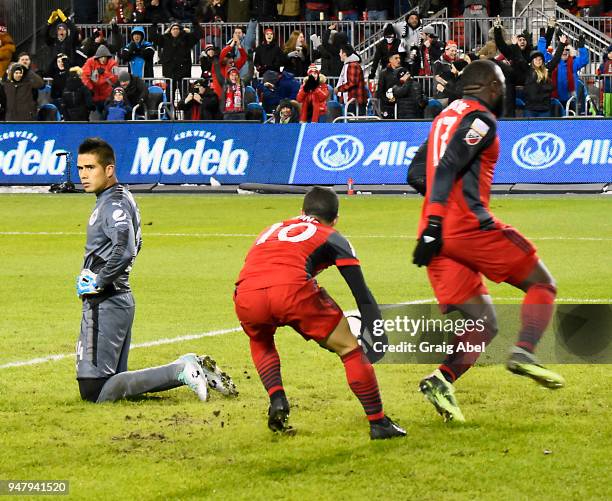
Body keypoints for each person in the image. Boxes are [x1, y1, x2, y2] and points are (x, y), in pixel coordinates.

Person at [412, 60, 564, 423]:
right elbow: (449, 166)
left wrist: (435, 221)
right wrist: (442, 217)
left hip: (437, 238)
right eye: (502, 86)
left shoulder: (443, 118)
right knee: (542, 284)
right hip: (465, 226)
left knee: (482, 322)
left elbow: (417, 173)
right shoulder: (481, 120)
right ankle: (524, 351)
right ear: (492, 88)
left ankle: (441, 380)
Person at [234, 186, 406, 439]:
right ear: (335, 219)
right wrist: (377, 333)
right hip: (292, 291)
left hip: (248, 292)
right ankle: (379, 423)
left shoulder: (273, 227)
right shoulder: (333, 236)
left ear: (301, 211)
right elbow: (361, 293)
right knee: (349, 350)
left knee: (260, 339)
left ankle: (277, 398)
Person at [75, 137, 237, 404]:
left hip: (106, 301)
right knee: (114, 385)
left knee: (94, 390)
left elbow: (126, 248)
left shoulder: (113, 203)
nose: (83, 174)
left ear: (109, 169)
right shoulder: (119, 197)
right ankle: (189, 368)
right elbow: (137, 243)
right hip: (117, 299)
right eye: (81, 168)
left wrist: (99, 280)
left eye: (90, 167)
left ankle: (182, 369)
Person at [150, 19, 203, 101]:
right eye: (173, 29)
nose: (175, 30)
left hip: (184, 73)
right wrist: (154, 24)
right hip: (170, 73)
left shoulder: (187, 39)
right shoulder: (165, 39)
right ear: (170, 31)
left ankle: (186, 113)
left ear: (180, 30)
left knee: (185, 98)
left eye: (177, 29)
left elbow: (198, 35)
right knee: (169, 98)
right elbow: (153, 36)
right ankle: (169, 113)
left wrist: (195, 23)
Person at [523, 35, 567, 118]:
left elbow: (556, 59)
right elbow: (518, 58)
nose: (538, 61)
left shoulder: (547, 70)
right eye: (536, 59)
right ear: (532, 61)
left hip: (545, 109)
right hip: (530, 109)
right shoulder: (527, 71)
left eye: (540, 59)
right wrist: (515, 46)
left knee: (544, 131)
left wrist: (561, 44)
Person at [81, 45, 120, 119]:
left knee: (106, 119)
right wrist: (90, 88)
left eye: (105, 57)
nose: (103, 59)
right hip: (94, 96)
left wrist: (105, 73)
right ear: (97, 57)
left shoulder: (113, 64)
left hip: (108, 97)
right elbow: (84, 76)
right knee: (95, 120)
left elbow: (115, 79)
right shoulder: (90, 62)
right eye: (101, 57)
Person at [336, 44, 367, 116]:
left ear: (344, 54)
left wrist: (339, 89)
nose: (339, 54)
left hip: (355, 101)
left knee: (357, 124)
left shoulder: (353, 65)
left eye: (340, 52)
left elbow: (352, 82)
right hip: (352, 101)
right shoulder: (348, 65)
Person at [44, 8, 79, 73]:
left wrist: (65, 20)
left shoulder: (70, 41)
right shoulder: (53, 42)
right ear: (56, 32)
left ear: (66, 32)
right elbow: (44, 34)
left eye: (63, 29)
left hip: (68, 70)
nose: (61, 31)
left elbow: (74, 31)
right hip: (55, 71)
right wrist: (49, 23)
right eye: (59, 29)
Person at [377, 52, 402, 118]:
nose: (398, 60)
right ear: (390, 60)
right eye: (396, 58)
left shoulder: (403, 72)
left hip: (401, 105)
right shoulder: (384, 73)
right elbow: (380, 91)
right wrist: (387, 100)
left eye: (399, 58)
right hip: (387, 106)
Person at [598, 45, 612, 116]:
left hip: (607, 90)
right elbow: (598, 74)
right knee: (607, 111)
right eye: (610, 52)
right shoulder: (604, 64)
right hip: (607, 91)